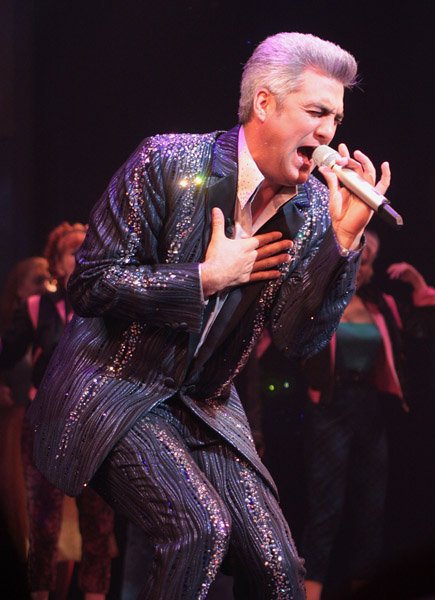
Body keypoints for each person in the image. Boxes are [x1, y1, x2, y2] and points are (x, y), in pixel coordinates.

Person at [27, 32, 391, 599]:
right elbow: (90, 284)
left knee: (280, 570)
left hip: (204, 404)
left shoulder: (315, 207)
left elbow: (297, 339)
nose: (328, 133)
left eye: (336, 119)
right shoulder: (167, 160)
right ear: (264, 103)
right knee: (198, 530)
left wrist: (341, 245)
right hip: (118, 385)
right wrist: (202, 279)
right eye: (317, 112)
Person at [297, 231, 435, 600]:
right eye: (356, 258)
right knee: (325, 510)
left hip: (369, 409)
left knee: (371, 509)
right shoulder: (320, 303)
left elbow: (423, 328)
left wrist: (419, 287)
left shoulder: (382, 306)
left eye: (368, 261)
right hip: (328, 408)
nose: (361, 267)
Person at [0, 222, 115, 600]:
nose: (81, 257)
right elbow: (6, 355)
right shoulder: (37, 308)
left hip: (92, 425)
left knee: (98, 519)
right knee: (44, 518)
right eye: (72, 252)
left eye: (87, 249)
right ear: (57, 262)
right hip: (45, 423)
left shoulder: (107, 306)